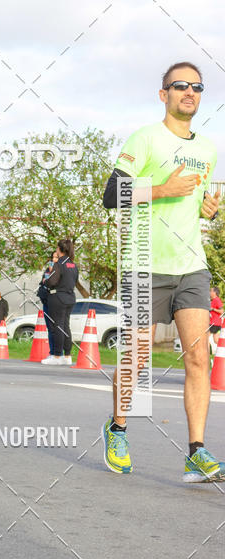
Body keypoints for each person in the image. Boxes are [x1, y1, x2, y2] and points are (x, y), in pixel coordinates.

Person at [101, 61, 224, 483]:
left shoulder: (208, 149)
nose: (189, 92)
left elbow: (199, 204)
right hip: (143, 263)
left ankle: (196, 451)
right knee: (136, 356)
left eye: (197, 86)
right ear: (164, 95)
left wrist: (207, 208)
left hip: (191, 265)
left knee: (197, 357)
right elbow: (110, 193)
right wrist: (161, 189)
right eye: (180, 86)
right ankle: (117, 428)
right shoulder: (146, 138)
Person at [41, 240, 78, 365]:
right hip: (70, 297)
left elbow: (52, 281)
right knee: (65, 326)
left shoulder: (59, 264)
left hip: (58, 297)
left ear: (60, 249)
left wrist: (45, 281)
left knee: (57, 326)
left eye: (57, 248)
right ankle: (67, 356)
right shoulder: (73, 264)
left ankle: (56, 356)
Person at [37, 251, 58, 355]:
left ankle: (58, 353)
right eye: (52, 257)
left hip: (56, 301)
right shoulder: (47, 269)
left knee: (56, 328)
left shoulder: (61, 271)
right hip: (46, 300)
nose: (53, 260)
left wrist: (51, 275)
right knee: (50, 328)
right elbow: (43, 282)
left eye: (56, 257)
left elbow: (54, 284)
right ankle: (52, 352)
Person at [209, 285, 223, 354]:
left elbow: (222, 311)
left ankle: (206, 352)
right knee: (216, 340)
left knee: (204, 337)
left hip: (214, 323)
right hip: (215, 323)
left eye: (210, 291)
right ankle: (222, 352)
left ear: (214, 292)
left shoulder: (217, 300)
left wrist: (213, 309)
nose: (209, 292)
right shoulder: (213, 300)